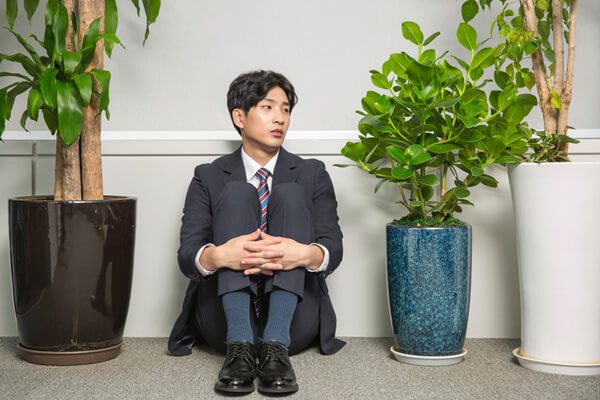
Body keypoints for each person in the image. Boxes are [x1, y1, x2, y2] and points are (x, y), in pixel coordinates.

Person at [168, 70, 345, 396]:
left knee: (290, 194)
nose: (280, 118)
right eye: (268, 107)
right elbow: (186, 255)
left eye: (285, 110)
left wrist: (305, 254)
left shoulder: (312, 173)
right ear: (239, 117)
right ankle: (239, 347)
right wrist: (219, 256)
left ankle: (276, 344)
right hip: (222, 319)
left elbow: (333, 247)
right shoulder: (207, 176)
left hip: (296, 318)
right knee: (238, 193)